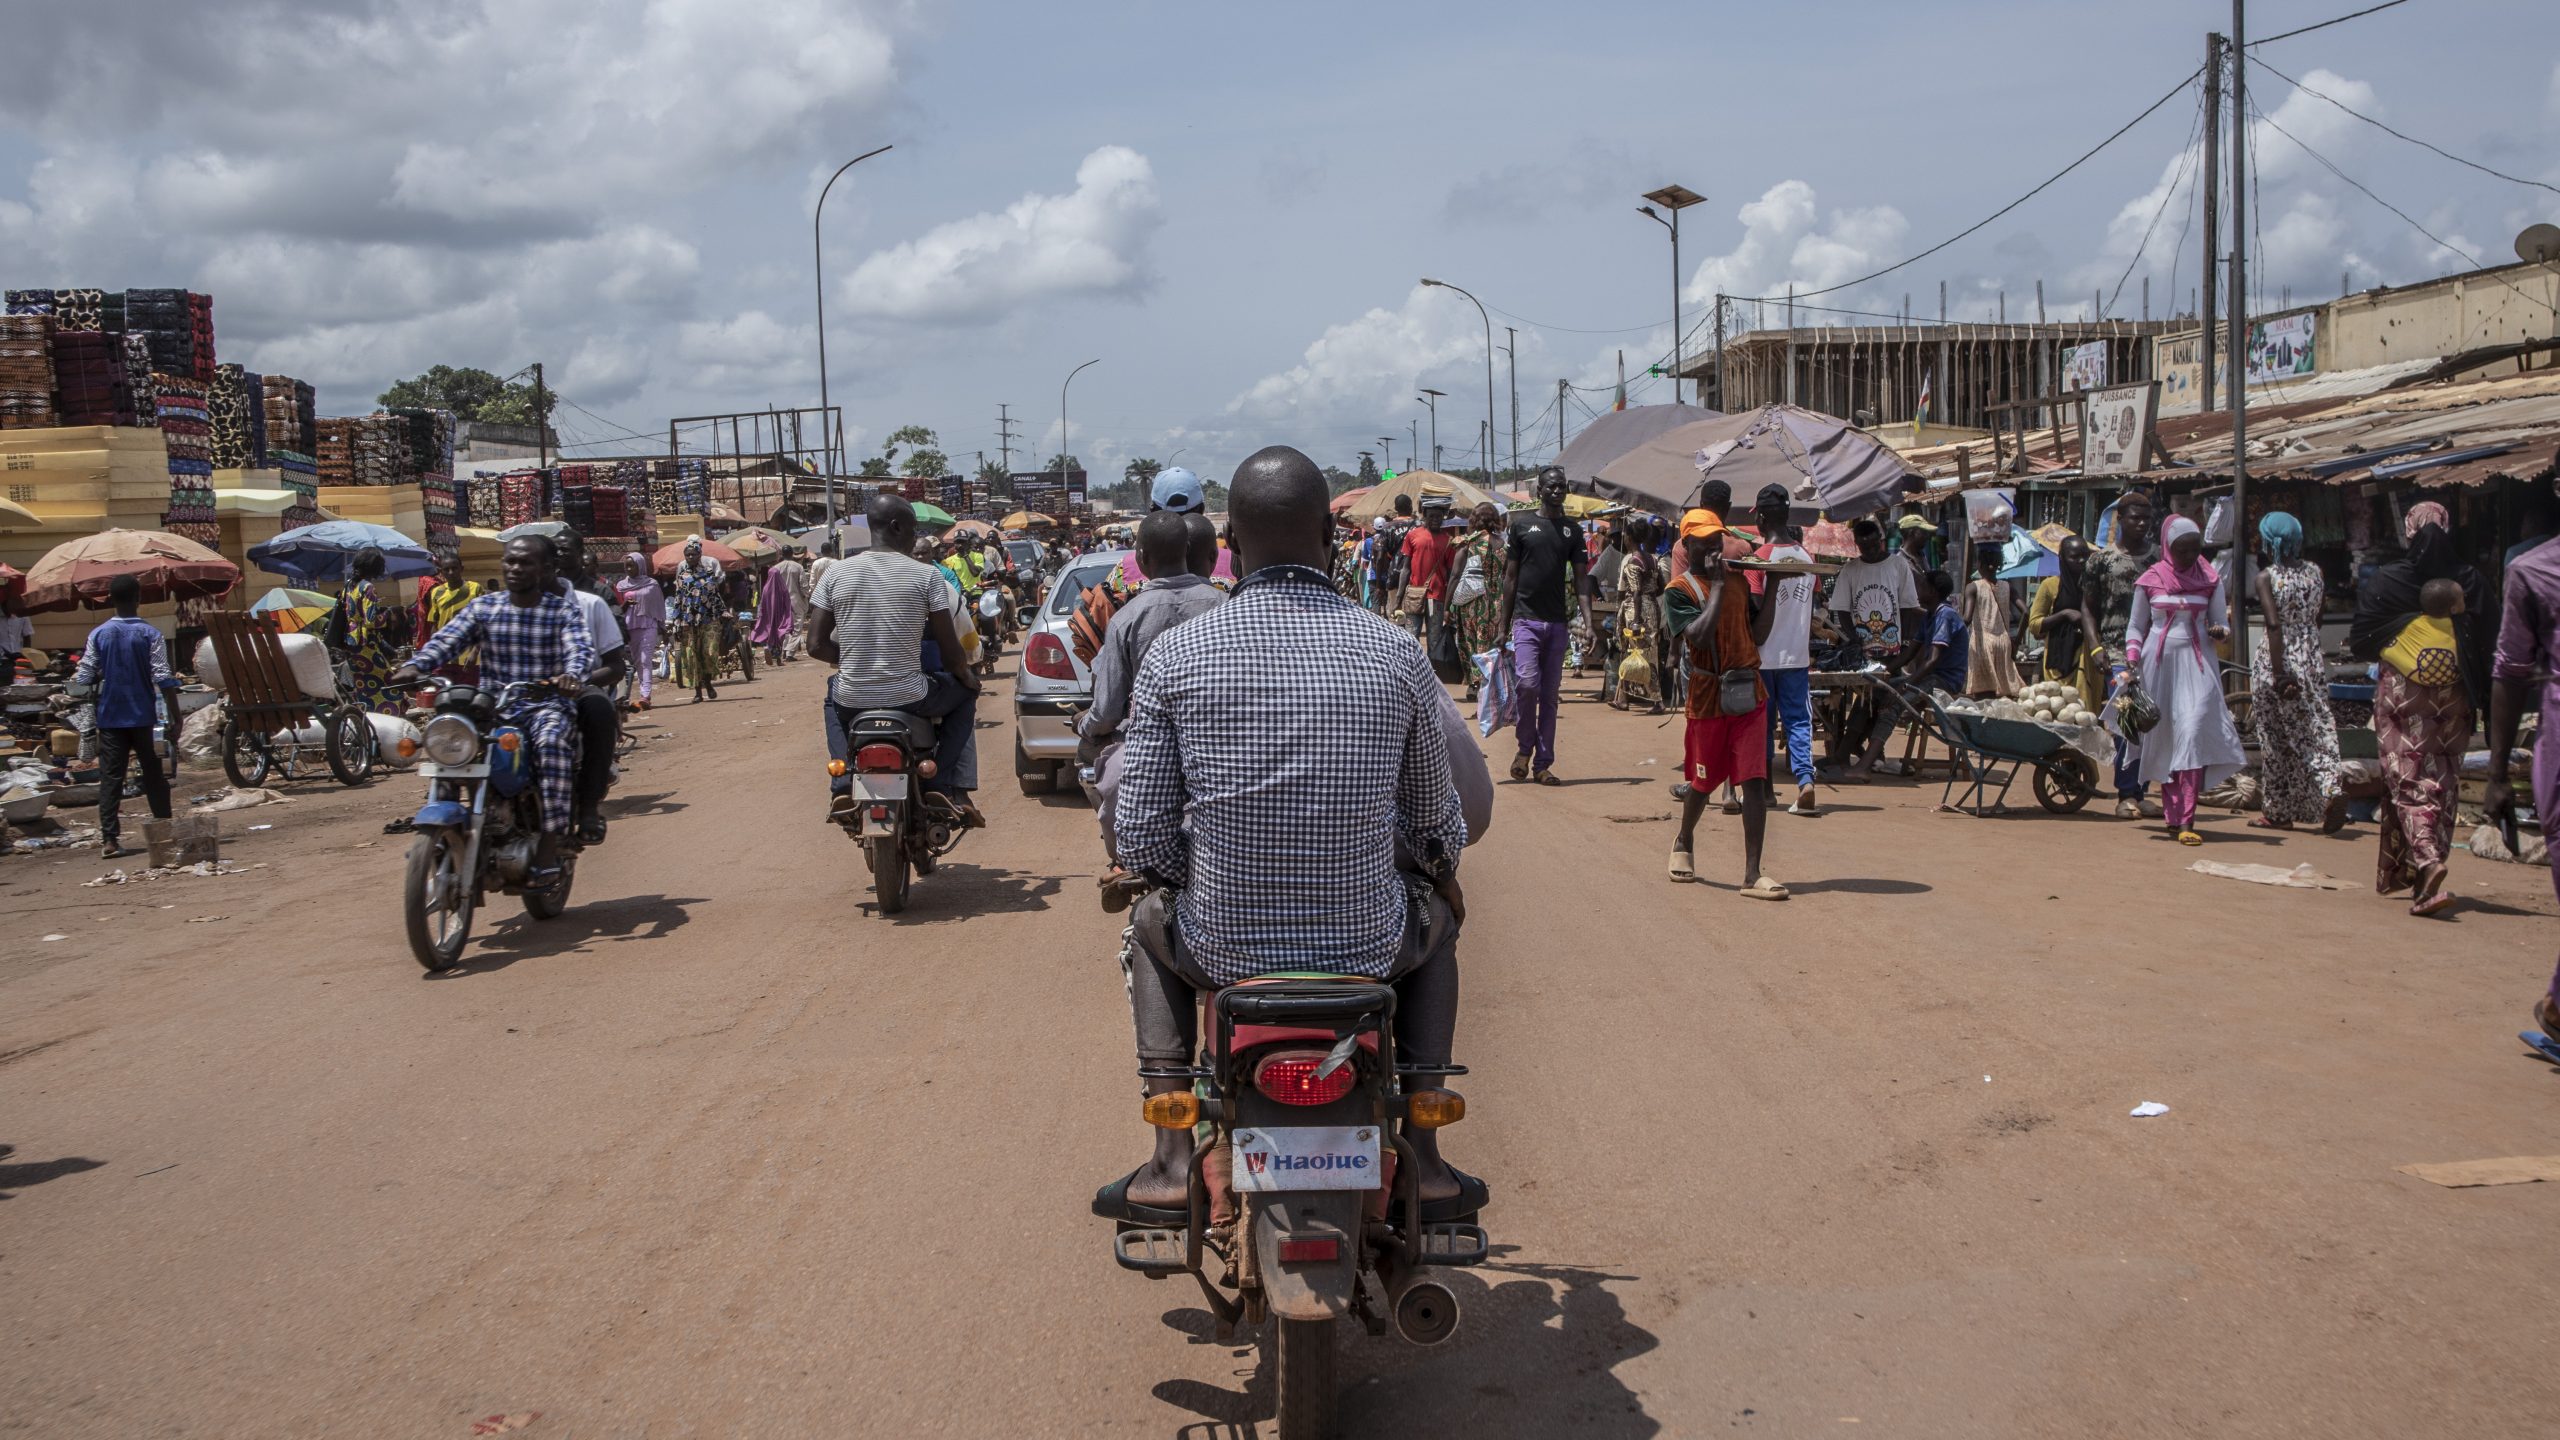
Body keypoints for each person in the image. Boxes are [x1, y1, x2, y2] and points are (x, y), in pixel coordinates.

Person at [1099, 444, 1473, 1218]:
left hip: (1221, 952)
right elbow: (1439, 828)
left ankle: (1171, 1159)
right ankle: (1429, 1156)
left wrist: (1194, 873)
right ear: (1332, 540)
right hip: (1370, 951)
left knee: (1145, 919)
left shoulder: (1176, 656)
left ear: (1228, 541)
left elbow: (1139, 837)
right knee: (1440, 916)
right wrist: (1426, 865)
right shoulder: (1395, 652)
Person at [391, 537, 597, 882]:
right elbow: (447, 639)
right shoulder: (485, 608)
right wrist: (417, 666)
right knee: (448, 739)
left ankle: (551, 840)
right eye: (510, 561)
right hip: (493, 706)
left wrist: (572, 676)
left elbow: (580, 649)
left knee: (550, 743)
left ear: (546, 570)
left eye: (525, 563)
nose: (515, 569)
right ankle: (441, 830)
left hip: (542, 705)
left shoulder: (561, 610)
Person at [806, 494, 984, 827]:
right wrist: (965, 677)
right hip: (913, 697)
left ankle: (842, 781)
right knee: (966, 697)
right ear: (896, 527)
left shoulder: (835, 574)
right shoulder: (927, 577)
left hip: (852, 699)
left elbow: (815, 646)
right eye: (912, 529)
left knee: (833, 698)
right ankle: (939, 781)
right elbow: (950, 650)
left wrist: (856, 658)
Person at [2351, 501, 2486, 913]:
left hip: (2401, 696)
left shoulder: (2389, 581)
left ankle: (2426, 861)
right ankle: (2423, 878)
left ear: (2408, 531)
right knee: (2443, 777)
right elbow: (2488, 637)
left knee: (2405, 776)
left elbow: (2361, 638)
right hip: (2455, 698)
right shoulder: (2470, 582)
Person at [1079, 511, 1226, 875]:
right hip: (1223, 742)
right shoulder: (1226, 606)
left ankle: (1122, 861)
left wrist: (1087, 726)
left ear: (1141, 558)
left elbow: (1108, 709)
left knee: (1101, 773)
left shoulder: (1128, 618)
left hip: (1145, 744)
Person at [1664, 513, 1785, 898]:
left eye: (1716, 538)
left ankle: (1752, 874)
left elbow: (1759, 634)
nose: (1713, 546)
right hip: (1708, 698)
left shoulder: (1737, 580)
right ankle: (1684, 840)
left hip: (1748, 693)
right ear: (1687, 546)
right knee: (1703, 781)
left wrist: (1774, 588)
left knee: (1753, 780)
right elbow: (1696, 637)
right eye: (1702, 540)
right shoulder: (1678, 591)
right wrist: (1715, 586)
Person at [2481, 508, 2560, 1037]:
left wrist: (2497, 772)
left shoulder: (2530, 569)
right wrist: (2498, 771)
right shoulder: (2533, 571)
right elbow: (2509, 672)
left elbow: (2509, 671)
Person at [2123, 515, 2247, 846]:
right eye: (2183, 549)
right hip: (2158, 666)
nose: (2191, 556)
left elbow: (2222, 621)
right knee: (2166, 737)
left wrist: (2220, 632)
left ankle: (2188, 819)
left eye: (2196, 549)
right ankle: (2172, 813)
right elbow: (2136, 626)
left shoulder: (2211, 579)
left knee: (2191, 731)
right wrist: (2132, 660)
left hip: (2199, 664)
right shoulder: (2150, 579)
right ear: (2167, 546)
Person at [1498, 466, 1595, 784]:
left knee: (1550, 697)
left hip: (1557, 624)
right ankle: (1524, 749)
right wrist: (1503, 625)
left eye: (1561, 486)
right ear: (1539, 490)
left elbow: (1582, 580)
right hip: (1526, 620)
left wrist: (1589, 623)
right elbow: (1510, 578)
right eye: (1551, 486)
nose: (1557, 491)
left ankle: (1542, 764)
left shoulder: (1573, 530)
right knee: (1527, 686)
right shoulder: (1522, 526)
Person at [72, 574, 180, 859]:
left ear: (111, 599)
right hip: (144, 716)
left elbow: (83, 676)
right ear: (138, 599)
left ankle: (109, 839)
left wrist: (99, 672)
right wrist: (175, 715)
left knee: (111, 778)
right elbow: (162, 676)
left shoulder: (98, 634)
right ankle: (164, 833)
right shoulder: (150, 634)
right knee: (155, 775)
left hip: (110, 717)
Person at [2248, 512, 2343, 832]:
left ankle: (2278, 810)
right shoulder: (2315, 572)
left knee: (2274, 739)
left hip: (2276, 663)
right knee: (2315, 730)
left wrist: (2280, 675)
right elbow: (2318, 617)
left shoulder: (2266, 577)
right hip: (2311, 660)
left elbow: (2273, 626)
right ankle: (2330, 788)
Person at [1824, 517, 1923, 783]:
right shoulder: (1850, 570)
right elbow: (1842, 609)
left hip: (1891, 649)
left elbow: (1907, 606)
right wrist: (1855, 637)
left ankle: (1848, 753)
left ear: (1880, 541)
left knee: (1873, 700)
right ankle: (1851, 753)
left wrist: (1904, 641)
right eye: (1862, 545)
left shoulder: (1898, 565)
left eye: (1872, 544)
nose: (1868, 549)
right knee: (1867, 700)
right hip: (1862, 651)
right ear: (1857, 544)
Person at [2084, 491, 2162, 819]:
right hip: (2116, 650)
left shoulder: (2159, 559)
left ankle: (2142, 789)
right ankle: (2125, 792)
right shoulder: (2101, 560)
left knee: (2149, 721)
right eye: (2135, 517)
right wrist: (2095, 647)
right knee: (2127, 720)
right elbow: (2087, 608)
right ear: (2121, 520)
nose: (2142, 524)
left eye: (2146, 518)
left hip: (2152, 650)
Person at [549, 539, 627, 845]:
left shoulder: (592, 600)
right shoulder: (505, 606)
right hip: (528, 694)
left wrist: (578, 679)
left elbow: (608, 651)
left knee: (597, 713)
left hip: (583, 682)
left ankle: (588, 802)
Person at [1749, 485, 1819, 814]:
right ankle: (1805, 781)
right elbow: (1810, 607)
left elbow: (1755, 608)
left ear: (1761, 519)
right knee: (1798, 721)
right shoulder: (1808, 559)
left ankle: (1764, 788)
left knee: (1761, 724)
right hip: (1796, 655)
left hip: (1762, 657)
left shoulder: (1759, 559)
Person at [326, 547, 411, 711]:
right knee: (388, 681)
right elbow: (371, 622)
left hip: (351, 643)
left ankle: (367, 714)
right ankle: (390, 713)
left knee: (363, 685)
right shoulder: (368, 588)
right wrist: (388, 613)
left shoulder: (349, 586)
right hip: (366, 644)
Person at [1445, 501, 1507, 700]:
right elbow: (1509, 576)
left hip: (1472, 602)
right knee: (1492, 641)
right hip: (1498, 601)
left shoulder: (1467, 544)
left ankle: (1474, 682)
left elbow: (1455, 576)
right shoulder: (1504, 545)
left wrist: (1447, 607)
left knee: (1470, 641)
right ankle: (1491, 683)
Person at [2026, 535, 2096, 707]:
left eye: (2084, 555)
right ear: (2063, 558)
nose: (2081, 561)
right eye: (2074, 557)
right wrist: (2064, 614)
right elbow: (2034, 624)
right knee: (2060, 708)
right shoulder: (2049, 586)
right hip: (2058, 658)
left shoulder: (2094, 585)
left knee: (2085, 710)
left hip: (2088, 656)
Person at [1959, 542, 2026, 698]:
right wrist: (2016, 641)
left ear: (1979, 563)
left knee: (1983, 694)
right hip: (2004, 642)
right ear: (1999, 564)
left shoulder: (1973, 587)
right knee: (2004, 691)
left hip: (1982, 643)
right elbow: (2026, 612)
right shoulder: (2008, 586)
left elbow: (1967, 618)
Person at [666, 536, 726, 702]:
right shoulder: (682, 576)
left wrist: (723, 611)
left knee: (709, 651)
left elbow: (715, 595)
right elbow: (678, 600)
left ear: (699, 555)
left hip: (708, 618)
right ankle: (699, 692)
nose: (690, 557)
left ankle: (708, 683)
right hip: (688, 621)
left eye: (693, 554)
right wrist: (675, 623)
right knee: (692, 656)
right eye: (688, 555)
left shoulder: (708, 574)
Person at [416, 555, 482, 684]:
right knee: (445, 697)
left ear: (461, 569)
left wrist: (475, 652)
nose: (451, 572)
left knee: (468, 695)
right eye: (446, 569)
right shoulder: (437, 592)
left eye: (454, 568)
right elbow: (435, 626)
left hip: (468, 657)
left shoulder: (475, 589)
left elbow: (482, 624)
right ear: (441, 571)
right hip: (445, 656)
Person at [615, 552, 664, 709]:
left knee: (645, 660)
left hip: (648, 625)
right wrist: (627, 604)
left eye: (632, 565)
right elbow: (618, 610)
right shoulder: (621, 586)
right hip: (631, 627)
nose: (629, 569)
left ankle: (645, 695)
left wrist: (663, 626)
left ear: (640, 566)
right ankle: (641, 691)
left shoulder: (652, 585)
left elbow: (658, 606)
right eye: (626, 566)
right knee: (637, 661)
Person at [1403, 490, 1453, 640]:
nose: (1435, 520)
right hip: (1414, 595)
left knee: (1434, 638)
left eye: (1439, 517)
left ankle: (1432, 664)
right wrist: (1399, 597)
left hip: (1437, 597)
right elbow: (1405, 569)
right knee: (1411, 637)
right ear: (1424, 515)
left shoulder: (1449, 541)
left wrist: (1449, 604)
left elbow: (1451, 575)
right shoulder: (1412, 535)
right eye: (1432, 516)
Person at [752, 557, 795, 665]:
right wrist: (789, 614)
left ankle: (768, 647)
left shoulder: (766, 589)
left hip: (767, 617)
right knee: (779, 635)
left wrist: (760, 615)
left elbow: (761, 604)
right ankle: (778, 659)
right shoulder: (783, 588)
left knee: (769, 632)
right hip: (780, 617)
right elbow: (788, 603)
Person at [0, 602, 34, 680]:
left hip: (19, 657)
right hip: (2, 659)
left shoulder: (23, 615)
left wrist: (27, 655)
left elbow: (27, 636)